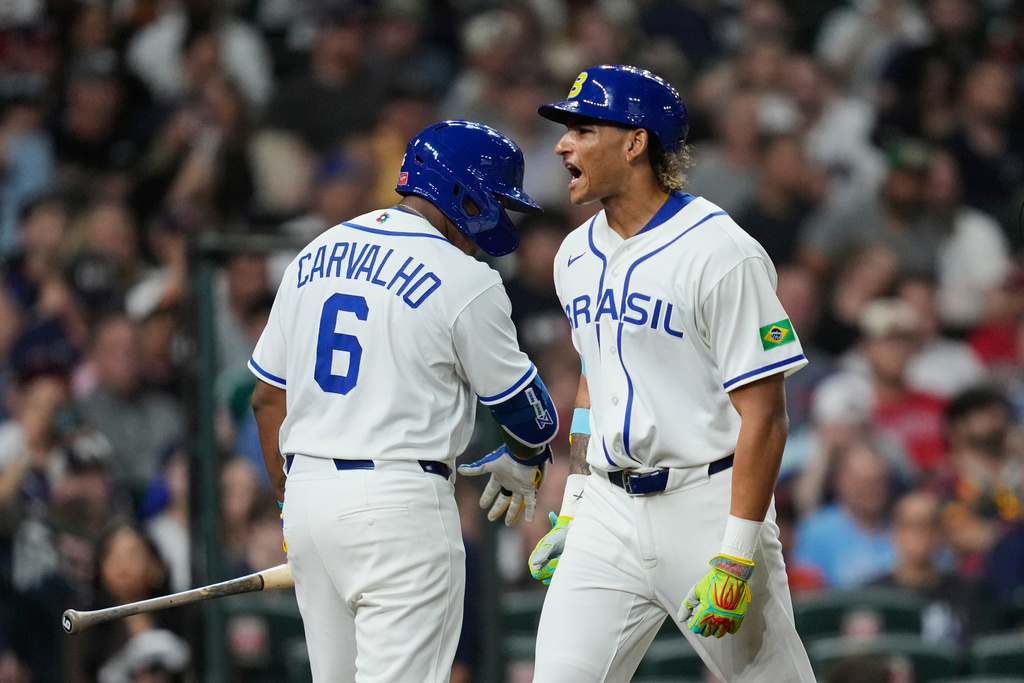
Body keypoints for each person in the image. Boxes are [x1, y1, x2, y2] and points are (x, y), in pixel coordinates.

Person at [529, 64, 814, 682]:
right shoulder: (573, 254)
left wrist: (737, 555)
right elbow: (590, 386)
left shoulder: (720, 250)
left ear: (634, 142)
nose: (562, 144)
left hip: (707, 503)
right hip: (605, 509)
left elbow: (765, 414)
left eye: (582, 129)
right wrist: (575, 501)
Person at [249, 120, 559, 683]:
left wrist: (290, 510)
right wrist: (529, 455)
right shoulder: (467, 279)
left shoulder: (314, 252)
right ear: (463, 195)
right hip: (399, 508)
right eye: (495, 200)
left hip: (310, 501)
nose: (498, 219)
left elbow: (267, 401)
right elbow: (531, 414)